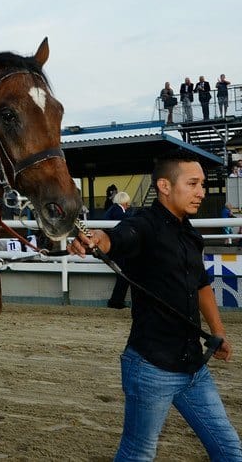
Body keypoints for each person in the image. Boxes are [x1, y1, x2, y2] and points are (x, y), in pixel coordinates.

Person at [68, 151, 242, 460]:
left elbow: (201, 284)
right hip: (150, 369)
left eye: (202, 184)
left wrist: (218, 332)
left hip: (194, 367)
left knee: (230, 451)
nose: (201, 192)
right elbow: (119, 238)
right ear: (164, 185)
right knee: (138, 454)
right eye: (193, 183)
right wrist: (97, 239)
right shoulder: (143, 225)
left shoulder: (189, 233)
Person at [105, 191, 131, 309]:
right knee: (124, 274)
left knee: (124, 274)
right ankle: (115, 301)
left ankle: (116, 301)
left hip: (113, 246)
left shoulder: (113, 209)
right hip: (116, 248)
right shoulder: (118, 211)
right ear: (124, 202)